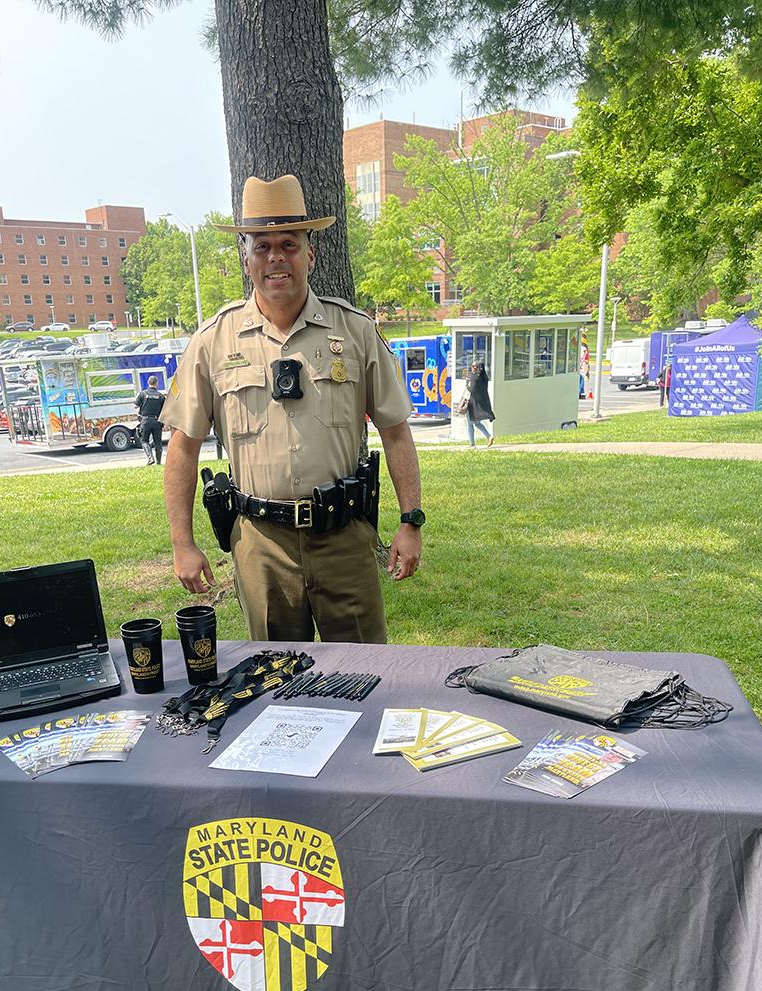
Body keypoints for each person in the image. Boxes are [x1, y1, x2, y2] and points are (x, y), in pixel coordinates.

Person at [160, 174, 423, 644]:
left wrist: (410, 521)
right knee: (274, 685)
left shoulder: (356, 332)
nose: (275, 257)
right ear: (246, 258)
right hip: (262, 547)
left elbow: (396, 430)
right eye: (261, 245)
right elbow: (182, 448)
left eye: (289, 243)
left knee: (363, 677)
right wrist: (183, 543)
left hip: (345, 539)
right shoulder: (212, 342)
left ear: (311, 254)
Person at [135, 376, 166, 465]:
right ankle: (159, 462)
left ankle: (150, 458)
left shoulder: (143, 394)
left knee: (144, 440)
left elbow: (135, 406)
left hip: (145, 421)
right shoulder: (160, 396)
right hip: (157, 421)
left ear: (148, 382)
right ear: (156, 383)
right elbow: (165, 409)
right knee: (158, 442)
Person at [465, 361, 495, 447]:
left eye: (473, 366)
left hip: (472, 404)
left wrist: (467, 384)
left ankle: (472, 444)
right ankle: (488, 437)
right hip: (478, 404)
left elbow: (471, 389)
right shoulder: (483, 377)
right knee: (476, 423)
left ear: (476, 368)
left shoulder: (474, 377)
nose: (471, 368)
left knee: (470, 424)